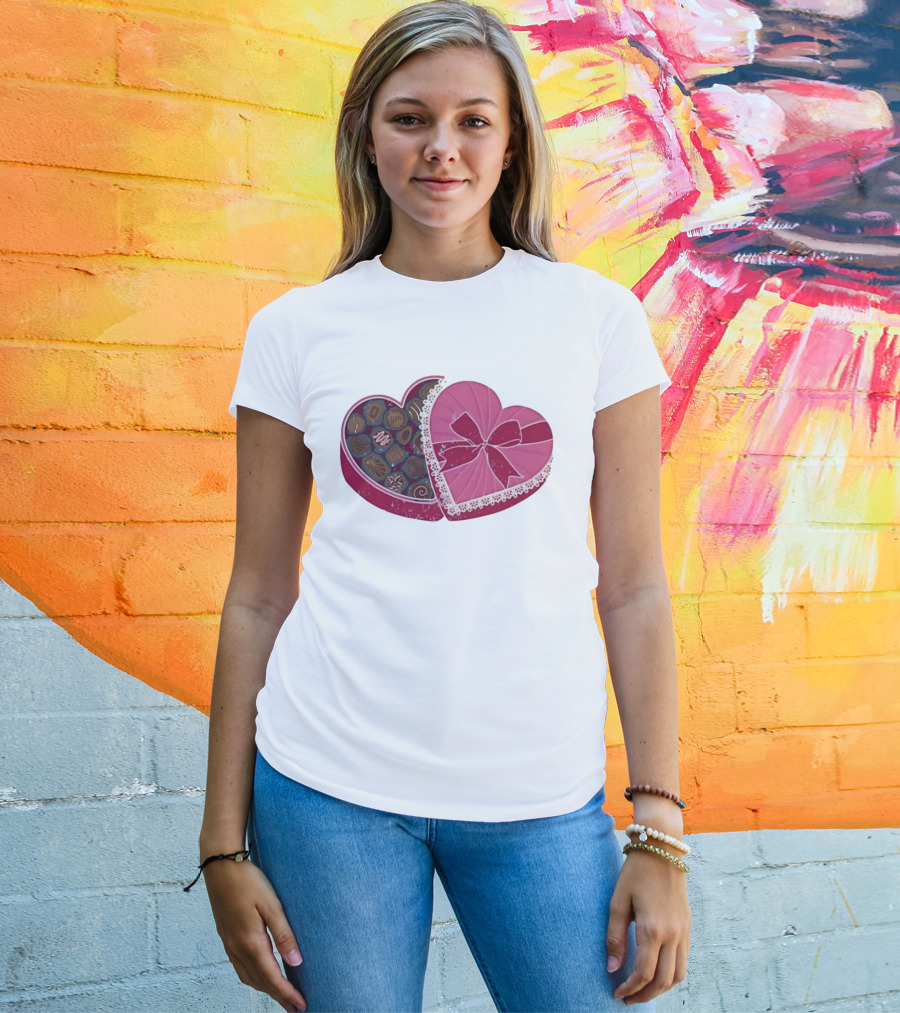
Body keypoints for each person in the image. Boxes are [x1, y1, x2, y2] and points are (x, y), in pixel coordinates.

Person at [195, 2, 692, 1010]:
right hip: (326, 784)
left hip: (542, 795)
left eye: (474, 120)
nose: (442, 149)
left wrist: (658, 823)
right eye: (410, 118)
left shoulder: (594, 320)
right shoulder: (297, 330)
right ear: (366, 136)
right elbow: (256, 593)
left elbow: (635, 586)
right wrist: (219, 846)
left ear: (512, 145)